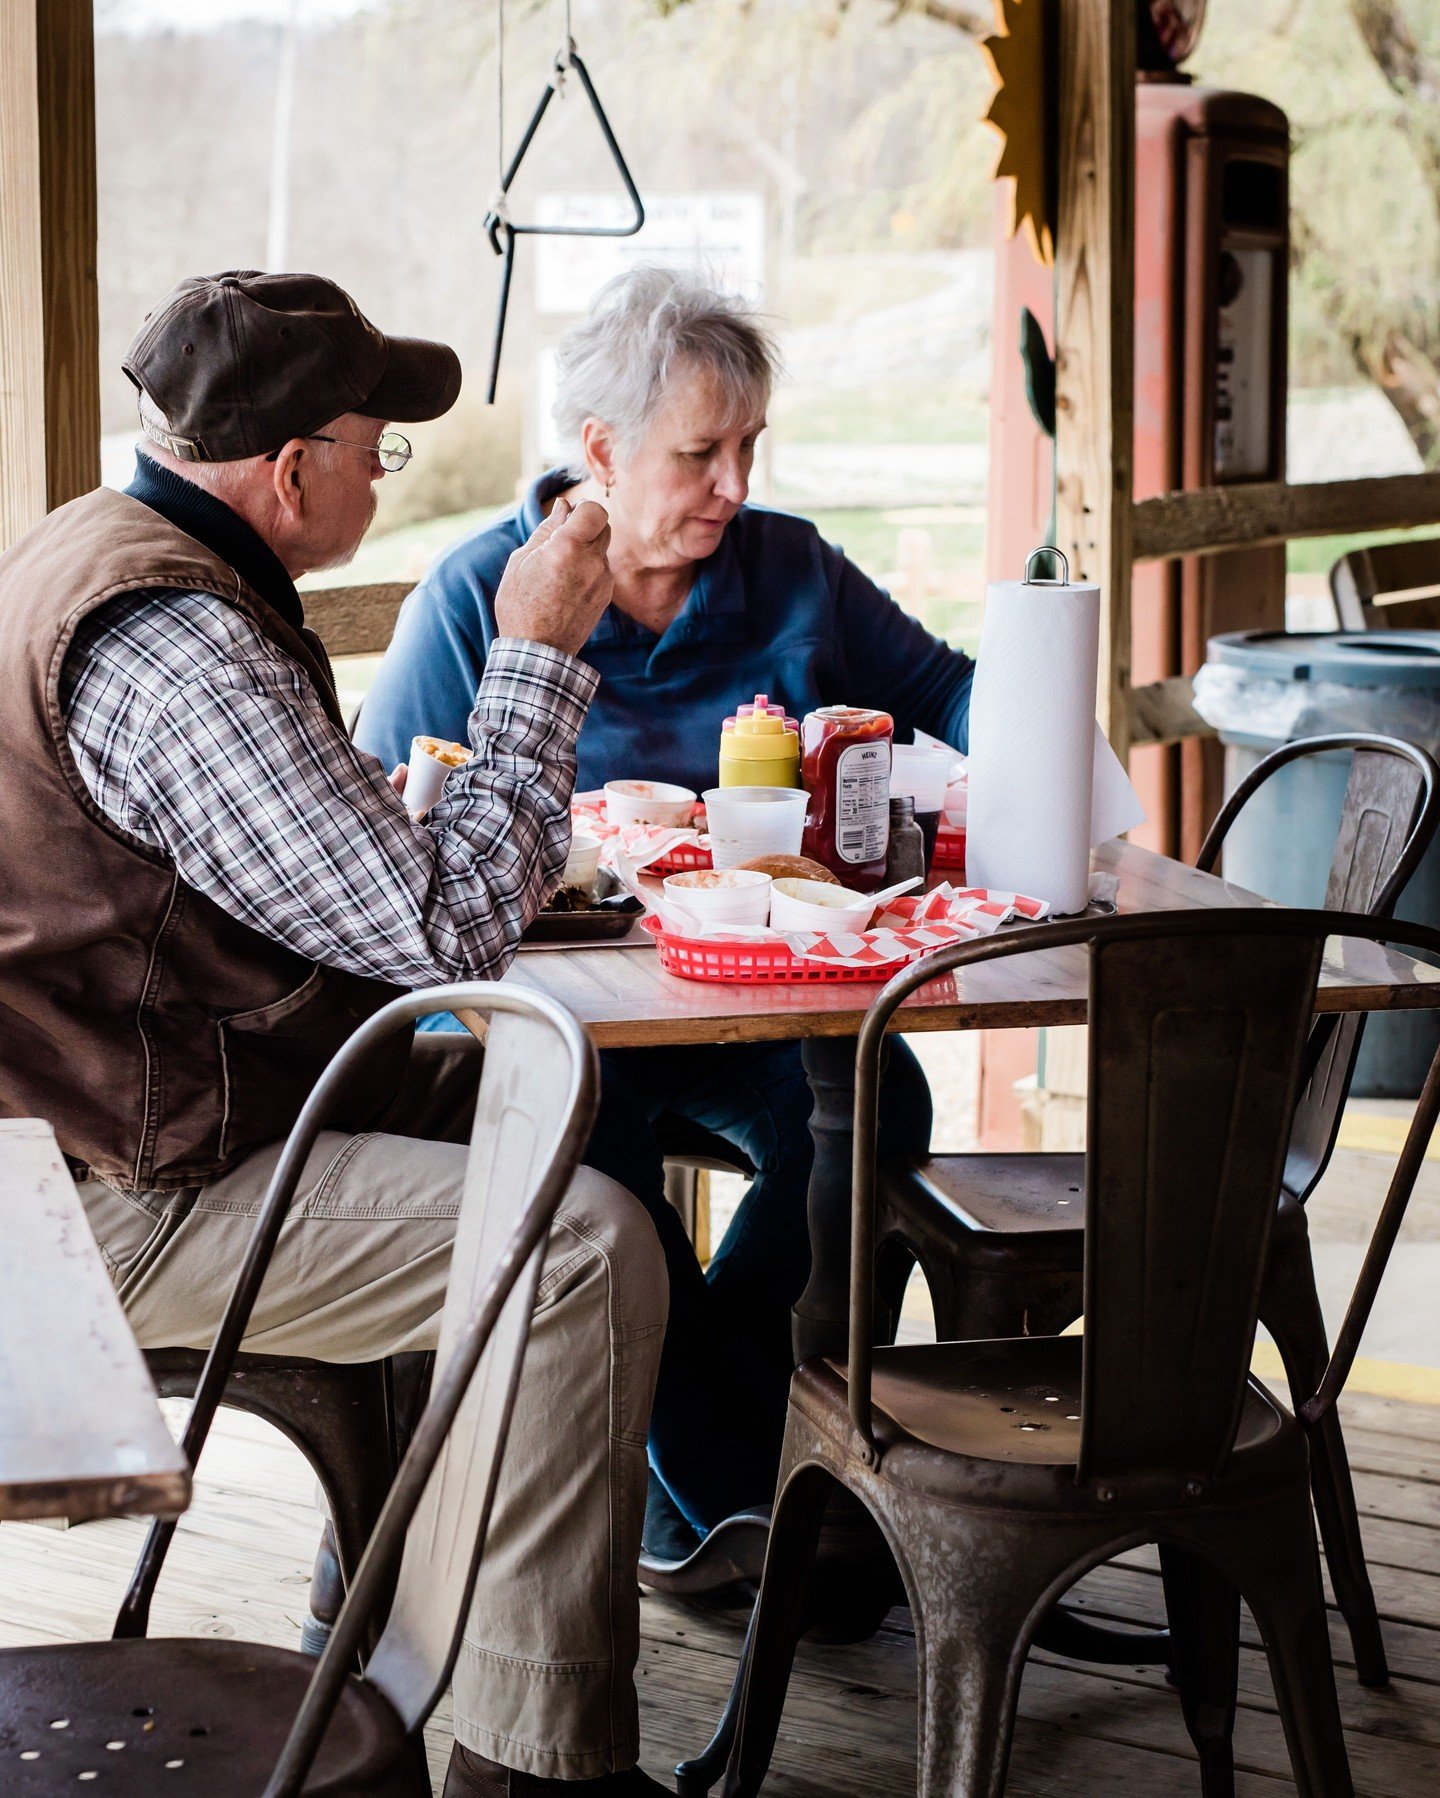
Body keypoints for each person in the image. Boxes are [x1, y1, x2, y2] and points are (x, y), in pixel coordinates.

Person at [0, 270, 672, 1798]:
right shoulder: (177, 647)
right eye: (380, 445)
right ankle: (531, 1755)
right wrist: (540, 649)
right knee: (584, 1248)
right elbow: (445, 933)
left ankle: (375, 1574)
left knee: (543, 1094)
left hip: (126, 1111)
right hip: (103, 1199)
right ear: (289, 469)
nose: (386, 472)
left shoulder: (110, 550)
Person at [357, 266, 975, 1574]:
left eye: (751, 446)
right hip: (564, 1025)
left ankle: (722, 1461)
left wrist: (1016, 776)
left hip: (758, 992)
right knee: (600, 1162)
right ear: (601, 450)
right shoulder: (482, 597)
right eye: (702, 452)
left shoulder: (792, 569)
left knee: (883, 1103)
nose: (735, 485)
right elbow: (385, 823)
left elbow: (951, 689)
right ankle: (751, 1484)